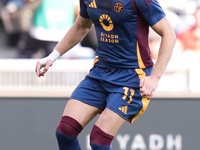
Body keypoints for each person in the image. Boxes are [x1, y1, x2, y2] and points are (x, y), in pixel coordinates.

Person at [36, 0, 176, 149]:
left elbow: (169, 34)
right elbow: (80, 27)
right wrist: (53, 56)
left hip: (132, 76)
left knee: (98, 142)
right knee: (65, 132)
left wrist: (155, 77)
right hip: (100, 71)